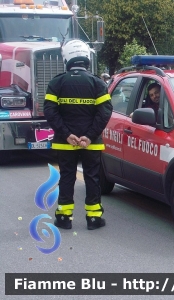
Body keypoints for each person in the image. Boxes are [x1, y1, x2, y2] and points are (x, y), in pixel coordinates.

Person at [44, 39, 112, 229]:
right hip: (91, 143)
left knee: (67, 177)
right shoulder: (97, 83)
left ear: (66, 59)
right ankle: (94, 218)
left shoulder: (56, 83)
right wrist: (89, 136)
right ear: (86, 58)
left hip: (65, 143)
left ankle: (64, 218)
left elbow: (50, 111)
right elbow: (105, 112)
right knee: (92, 177)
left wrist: (66, 135)